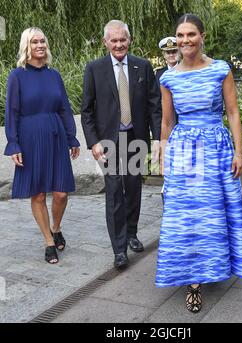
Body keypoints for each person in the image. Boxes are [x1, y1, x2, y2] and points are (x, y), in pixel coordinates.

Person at [155, 14, 242, 313]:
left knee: (214, 211)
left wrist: (239, 152)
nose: (185, 41)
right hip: (184, 151)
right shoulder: (168, 77)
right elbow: (168, 121)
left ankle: (214, 264)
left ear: (202, 36)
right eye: (180, 35)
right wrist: (163, 157)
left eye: (191, 34)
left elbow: (233, 112)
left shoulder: (220, 70)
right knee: (187, 214)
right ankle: (193, 281)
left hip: (216, 147)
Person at [81, 20, 161, 269]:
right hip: (109, 142)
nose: (118, 44)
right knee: (115, 192)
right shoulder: (95, 69)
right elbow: (87, 111)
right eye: (113, 40)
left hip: (135, 139)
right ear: (106, 42)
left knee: (134, 188)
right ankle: (119, 249)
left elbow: (154, 106)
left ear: (130, 40)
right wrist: (93, 142)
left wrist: (157, 138)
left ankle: (132, 233)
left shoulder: (143, 67)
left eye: (122, 40)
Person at [4, 27, 80, 264]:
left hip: (56, 135)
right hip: (29, 137)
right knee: (37, 193)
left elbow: (64, 108)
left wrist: (72, 137)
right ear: (27, 46)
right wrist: (14, 144)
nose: (40, 45)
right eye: (35, 41)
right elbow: (11, 112)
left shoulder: (54, 75)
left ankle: (56, 227)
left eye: (43, 41)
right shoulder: (17, 76)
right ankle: (49, 241)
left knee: (61, 192)